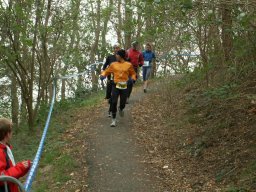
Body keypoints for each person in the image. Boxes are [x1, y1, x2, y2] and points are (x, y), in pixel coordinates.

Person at [100, 49, 136, 127]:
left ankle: (121, 108)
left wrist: (132, 79)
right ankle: (113, 120)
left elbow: (133, 73)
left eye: (117, 54)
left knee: (123, 102)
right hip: (115, 85)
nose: (115, 56)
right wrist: (103, 75)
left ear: (121, 56)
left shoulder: (128, 65)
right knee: (113, 102)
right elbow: (107, 71)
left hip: (124, 86)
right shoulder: (113, 64)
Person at [0, 118, 31, 192]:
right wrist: (20, 167)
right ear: (7, 134)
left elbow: (10, 171)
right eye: (11, 131)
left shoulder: (5, 148)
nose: (12, 133)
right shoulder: (0, 152)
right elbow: (2, 178)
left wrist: (24, 168)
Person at [102, 44, 121, 117]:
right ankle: (110, 104)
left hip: (118, 80)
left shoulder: (122, 58)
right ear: (113, 49)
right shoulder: (110, 57)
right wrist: (103, 73)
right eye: (115, 48)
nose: (116, 49)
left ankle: (111, 110)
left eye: (117, 48)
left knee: (114, 96)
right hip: (110, 79)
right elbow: (104, 66)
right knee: (108, 96)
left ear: (119, 49)